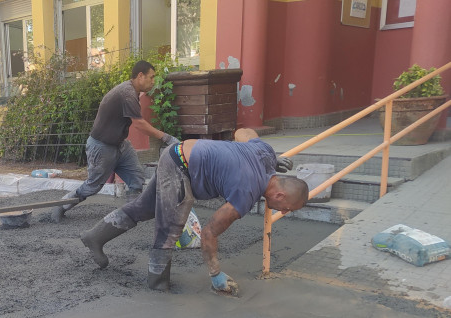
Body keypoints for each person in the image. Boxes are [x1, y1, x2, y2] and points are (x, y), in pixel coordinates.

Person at [80, 128, 308, 296]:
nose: (284, 212)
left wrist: (272, 160)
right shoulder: (245, 193)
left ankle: (94, 237)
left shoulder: (265, 152)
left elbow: (244, 132)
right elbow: (209, 232)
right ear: (280, 195)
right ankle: (158, 286)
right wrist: (216, 274)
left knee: (144, 208)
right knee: (171, 227)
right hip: (180, 167)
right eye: (287, 208)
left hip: (178, 153)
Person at [51, 60, 180, 222]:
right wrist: (166, 137)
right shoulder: (127, 93)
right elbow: (139, 123)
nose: (153, 82)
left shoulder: (131, 91)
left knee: (136, 180)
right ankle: (61, 205)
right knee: (93, 186)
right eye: (151, 77)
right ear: (140, 76)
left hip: (120, 145)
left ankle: (130, 215)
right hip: (101, 146)